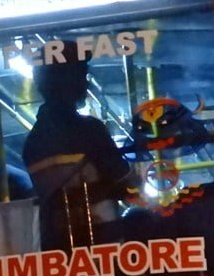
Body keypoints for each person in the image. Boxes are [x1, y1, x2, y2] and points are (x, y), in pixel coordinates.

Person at [22, 45, 132, 249]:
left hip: (58, 245)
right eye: (82, 75)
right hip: (104, 241)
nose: (86, 83)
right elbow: (124, 183)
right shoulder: (90, 130)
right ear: (67, 80)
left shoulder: (32, 142)